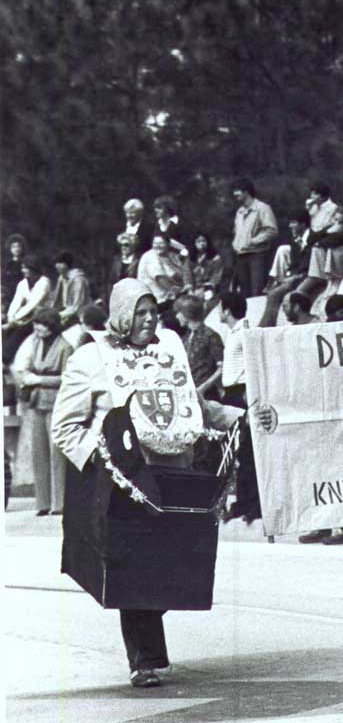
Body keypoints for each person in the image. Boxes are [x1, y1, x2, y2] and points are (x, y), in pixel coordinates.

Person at [51, 279, 235, 687]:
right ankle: (144, 662)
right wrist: (100, 457)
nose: (150, 319)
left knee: (174, 565)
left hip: (176, 473)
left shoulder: (169, 349)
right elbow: (64, 427)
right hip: (128, 481)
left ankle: (149, 646)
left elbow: (194, 407)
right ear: (121, 315)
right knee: (135, 568)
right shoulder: (90, 359)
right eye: (140, 312)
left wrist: (236, 416)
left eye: (154, 311)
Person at [12, 308, 72, 516]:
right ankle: (43, 502)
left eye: (42, 324)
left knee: (57, 454)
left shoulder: (65, 347)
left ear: (52, 326)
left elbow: (67, 377)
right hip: (37, 402)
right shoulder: (35, 343)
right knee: (39, 453)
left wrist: (39, 380)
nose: (37, 327)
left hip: (56, 402)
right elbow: (26, 365)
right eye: (36, 324)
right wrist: (28, 376)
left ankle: (59, 502)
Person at [230, 177, 278, 296]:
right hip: (241, 256)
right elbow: (237, 232)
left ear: (246, 191)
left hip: (257, 256)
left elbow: (272, 231)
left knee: (257, 292)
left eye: (237, 190)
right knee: (244, 294)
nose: (234, 194)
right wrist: (236, 244)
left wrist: (252, 241)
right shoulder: (239, 212)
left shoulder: (263, 208)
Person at [175, 295, 224, 401]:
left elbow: (222, 368)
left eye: (179, 312)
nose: (177, 316)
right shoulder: (187, 338)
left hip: (207, 395)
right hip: (190, 394)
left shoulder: (210, 335)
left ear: (186, 313)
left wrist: (202, 388)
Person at [4, 255, 52, 363]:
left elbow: (32, 304)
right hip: (27, 315)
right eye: (22, 268)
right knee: (8, 329)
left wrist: (15, 319)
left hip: (43, 316)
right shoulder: (23, 283)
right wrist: (11, 317)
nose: (23, 270)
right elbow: (15, 302)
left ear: (33, 268)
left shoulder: (44, 282)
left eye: (25, 268)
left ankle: (5, 359)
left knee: (21, 330)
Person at [137, 232, 191, 312]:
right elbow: (162, 281)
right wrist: (180, 292)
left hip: (169, 298)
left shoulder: (170, 256)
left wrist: (187, 286)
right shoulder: (150, 257)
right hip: (157, 301)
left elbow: (182, 273)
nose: (158, 246)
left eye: (161, 243)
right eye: (155, 243)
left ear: (168, 244)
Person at [49, 250, 90, 328]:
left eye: (60, 263)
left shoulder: (78, 280)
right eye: (56, 263)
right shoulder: (61, 278)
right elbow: (56, 302)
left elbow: (77, 307)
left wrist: (57, 316)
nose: (57, 265)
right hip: (65, 314)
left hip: (79, 316)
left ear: (67, 264)